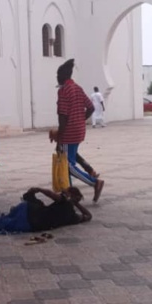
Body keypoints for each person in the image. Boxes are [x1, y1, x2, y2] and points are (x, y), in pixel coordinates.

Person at [54, 59, 105, 202]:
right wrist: (80, 120)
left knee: (67, 165)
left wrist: (59, 137)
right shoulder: (78, 88)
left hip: (68, 134)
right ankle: (67, 191)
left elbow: (62, 116)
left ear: (63, 76)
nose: (57, 78)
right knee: (70, 158)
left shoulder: (63, 91)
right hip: (79, 131)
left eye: (58, 75)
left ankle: (94, 182)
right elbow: (91, 107)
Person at [0, 187, 91, 234]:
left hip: (28, 209)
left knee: (1, 220)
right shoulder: (73, 217)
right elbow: (88, 216)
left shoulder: (64, 201)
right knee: (0, 223)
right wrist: (76, 203)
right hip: (31, 223)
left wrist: (39, 189)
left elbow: (51, 194)